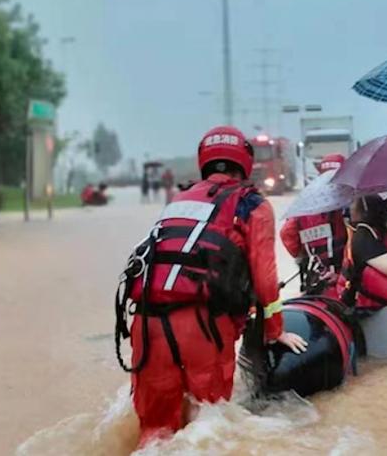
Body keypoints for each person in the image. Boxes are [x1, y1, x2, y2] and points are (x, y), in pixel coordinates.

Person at [115, 125, 307, 447]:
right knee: (209, 429)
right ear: (244, 161)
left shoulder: (178, 200)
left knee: (154, 432)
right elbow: (264, 278)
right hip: (203, 326)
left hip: (146, 323)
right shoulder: (252, 205)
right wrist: (275, 331)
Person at [280, 154, 349, 294]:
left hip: (315, 282)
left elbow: (288, 236)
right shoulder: (349, 205)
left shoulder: (305, 207)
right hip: (345, 283)